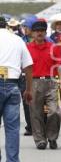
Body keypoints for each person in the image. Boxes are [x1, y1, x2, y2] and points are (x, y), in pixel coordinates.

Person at [27, 19, 61, 150]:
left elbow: (59, 66)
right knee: (36, 113)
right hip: (34, 82)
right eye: (37, 31)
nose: (40, 33)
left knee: (54, 112)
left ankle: (52, 137)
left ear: (45, 32)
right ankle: (40, 140)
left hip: (51, 82)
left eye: (42, 30)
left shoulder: (53, 47)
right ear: (32, 33)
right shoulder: (27, 48)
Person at [0, 16, 33, 162]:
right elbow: (28, 66)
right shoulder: (17, 39)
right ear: (6, 25)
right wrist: (28, 89)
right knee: (12, 128)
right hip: (13, 85)